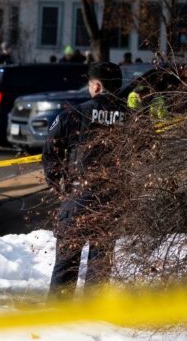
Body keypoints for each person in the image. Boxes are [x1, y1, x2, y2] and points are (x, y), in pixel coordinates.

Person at [42, 61, 126, 300]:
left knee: (66, 263)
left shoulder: (74, 114)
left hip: (78, 196)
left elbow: (50, 152)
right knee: (100, 265)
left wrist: (60, 185)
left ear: (97, 86)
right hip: (112, 198)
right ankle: (92, 314)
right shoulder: (133, 117)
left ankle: (59, 313)